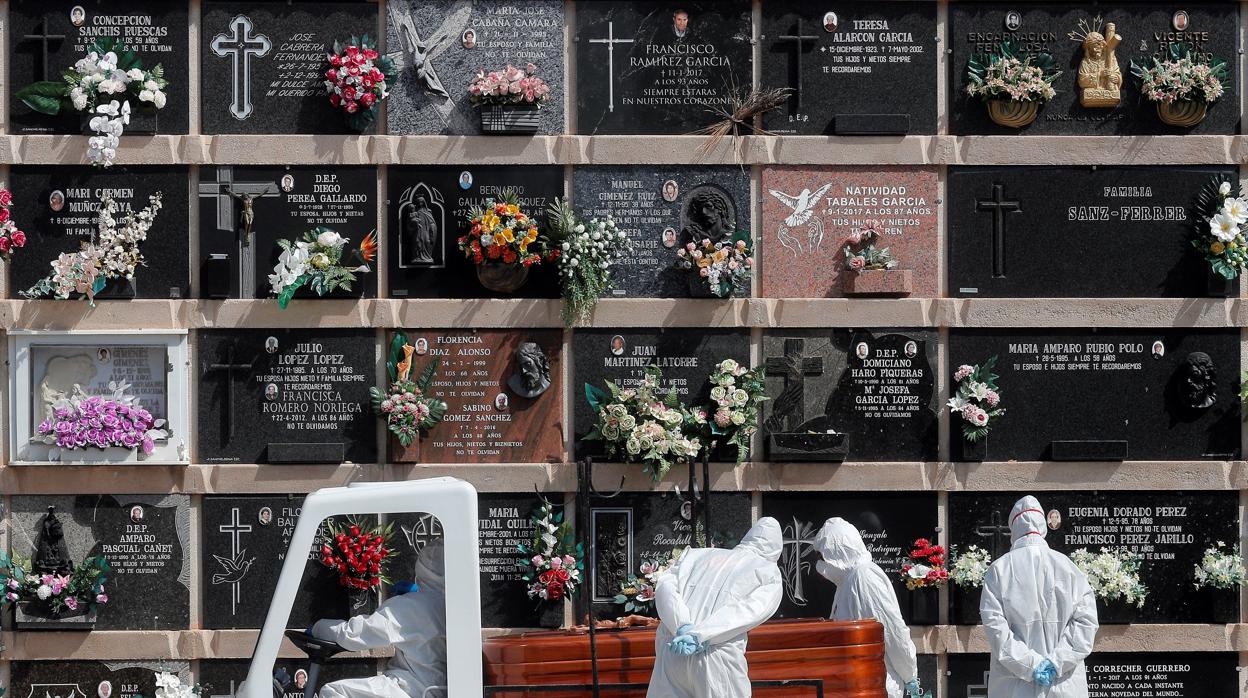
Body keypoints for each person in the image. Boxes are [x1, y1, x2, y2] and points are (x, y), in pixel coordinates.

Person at [648, 517, 783, 698]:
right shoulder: (768, 573)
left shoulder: (696, 555)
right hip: (716, 655)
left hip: (673, 647)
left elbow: (665, 588)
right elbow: (745, 612)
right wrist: (700, 635)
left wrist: (681, 626)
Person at [980, 495, 1099, 697]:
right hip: (1063, 685)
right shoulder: (1068, 568)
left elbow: (996, 629)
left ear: (1014, 527)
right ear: (1043, 525)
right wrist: (1056, 662)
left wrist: (1030, 665)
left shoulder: (999, 570)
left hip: (1015, 686)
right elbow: (1086, 623)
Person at [311, 540, 448, 698]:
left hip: (409, 689)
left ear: (422, 569)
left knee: (333, 692)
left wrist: (318, 628)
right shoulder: (453, 606)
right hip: (436, 690)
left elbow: (355, 635)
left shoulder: (410, 606)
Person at [813, 518, 921, 698]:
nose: (821, 565)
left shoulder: (863, 577)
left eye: (823, 557)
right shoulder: (847, 581)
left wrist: (910, 676)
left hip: (877, 684)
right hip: (858, 684)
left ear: (838, 552)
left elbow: (891, 632)